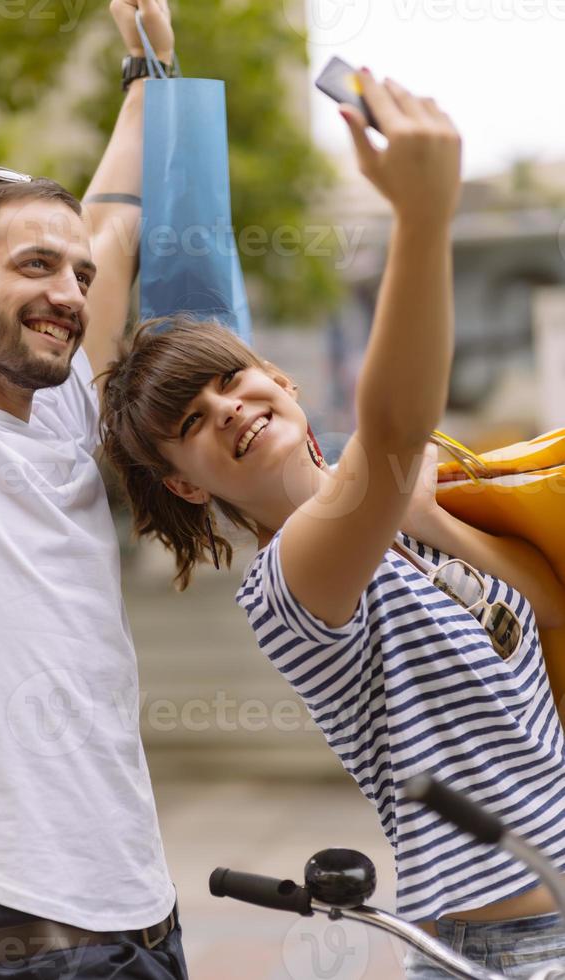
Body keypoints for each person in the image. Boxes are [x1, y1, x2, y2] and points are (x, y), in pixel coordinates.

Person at [98, 71, 565, 979]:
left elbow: (545, 600)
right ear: (185, 486)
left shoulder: (407, 509)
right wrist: (422, 217)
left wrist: (427, 514)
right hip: (498, 953)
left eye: (232, 380)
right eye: (190, 422)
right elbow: (390, 425)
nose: (226, 408)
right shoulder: (289, 584)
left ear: (283, 379)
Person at [0, 1, 189, 978]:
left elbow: (113, 221)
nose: (70, 291)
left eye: (76, 274)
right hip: (14, 941)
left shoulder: (70, 408)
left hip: (149, 919)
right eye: (34, 263)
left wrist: (146, 75)